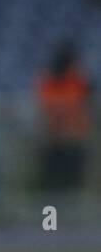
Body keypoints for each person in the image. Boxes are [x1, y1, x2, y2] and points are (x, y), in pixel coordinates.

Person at [35, 42, 90, 191]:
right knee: (58, 188)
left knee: (66, 188)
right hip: (58, 141)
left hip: (68, 141)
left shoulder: (76, 81)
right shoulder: (58, 81)